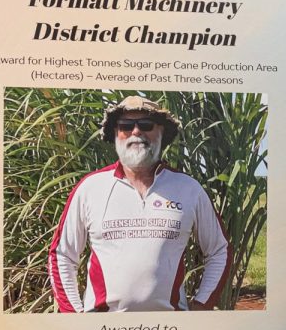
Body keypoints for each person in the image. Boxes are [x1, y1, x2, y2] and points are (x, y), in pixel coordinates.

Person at [48, 95, 231, 312]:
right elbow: (62, 255)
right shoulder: (90, 188)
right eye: (126, 126)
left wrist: (202, 304)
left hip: (170, 326)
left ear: (162, 132)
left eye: (146, 125)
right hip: (103, 325)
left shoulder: (188, 189)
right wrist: (73, 314)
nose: (136, 131)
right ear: (115, 133)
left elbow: (219, 250)